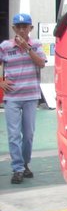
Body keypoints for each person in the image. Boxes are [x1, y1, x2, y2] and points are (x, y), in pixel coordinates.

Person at [0, 13, 47, 184]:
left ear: (30, 28)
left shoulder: (36, 45)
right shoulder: (5, 46)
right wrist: (1, 81)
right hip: (12, 97)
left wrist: (27, 48)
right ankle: (17, 168)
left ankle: (25, 164)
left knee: (28, 134)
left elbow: (41, 63)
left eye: (25, 27)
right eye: (18, 27)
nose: (21, 30)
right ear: (13, 28)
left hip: (31, 96)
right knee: (13, 135)